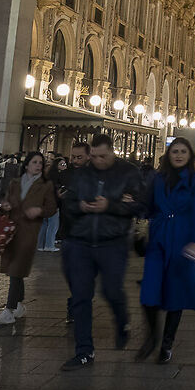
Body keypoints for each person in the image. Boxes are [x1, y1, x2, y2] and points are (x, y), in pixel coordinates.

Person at [58, 132, 145, 368]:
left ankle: (122, 319)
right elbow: (68, 203)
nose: (97, 160)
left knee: (112, 291)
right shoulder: (82, 174)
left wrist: (110, 206)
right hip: (81, 241)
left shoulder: (128, 172)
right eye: (94, 156)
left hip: (112, 242)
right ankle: (84, 351)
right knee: (80, 296)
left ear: (112, 152)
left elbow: (140, 205)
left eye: (103, 156)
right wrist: (81, 206)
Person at [138, 137, 195, 363]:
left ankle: (166, 344)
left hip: (182, 242)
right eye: (174, 151)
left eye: (183, 152)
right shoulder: (158, 179)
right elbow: (148, 206)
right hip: (158, 240)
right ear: (168, 155)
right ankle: (152, 336)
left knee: (175, 295)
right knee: (149, 291)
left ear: (190, 156)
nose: (178, 155)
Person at [0, 149, 58, 326]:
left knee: (16, 269)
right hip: (12, 230)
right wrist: (5, 206)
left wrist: (40, 210)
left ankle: (8, 310)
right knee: (16, 271)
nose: (38, 165)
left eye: (41, 163)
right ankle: (19, 305)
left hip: (29, 232)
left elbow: (52, 208)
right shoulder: (15, 183)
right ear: (27, 164)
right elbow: (7, 200)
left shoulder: (46, 185)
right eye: (35, 162)